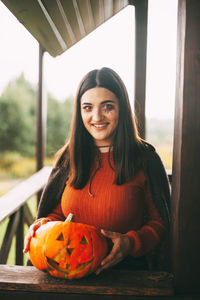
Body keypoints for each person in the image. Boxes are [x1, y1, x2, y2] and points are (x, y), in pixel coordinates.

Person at [24, 67, 171, 273]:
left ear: (122, 109)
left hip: (127, 278)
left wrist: (131, 243)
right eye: (87, 107)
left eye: (107, 107)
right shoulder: (69, 158)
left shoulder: (145, 159)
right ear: (79, 112)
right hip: (67, 280)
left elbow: (161, 223)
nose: (97, 116)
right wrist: (43, 226)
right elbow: (57, 214)